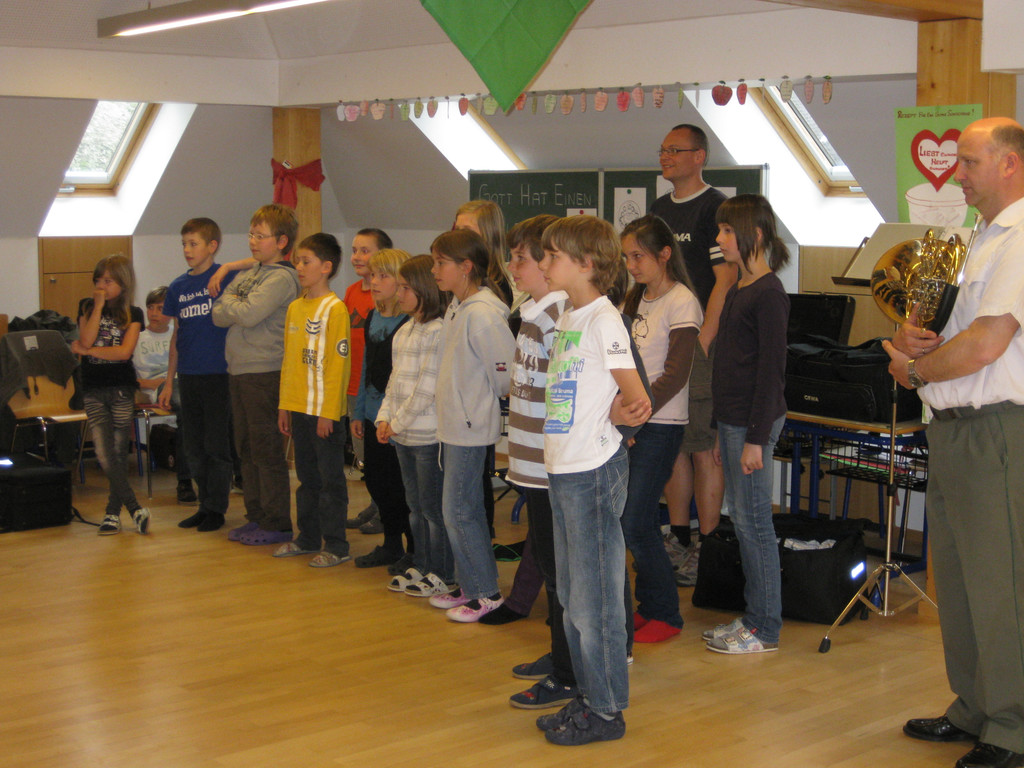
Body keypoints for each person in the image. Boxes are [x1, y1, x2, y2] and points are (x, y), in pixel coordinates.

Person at [883, 117, 1024, 768]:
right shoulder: (980, 236)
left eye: (969, 162)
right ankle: (974, 706)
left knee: (1001, 583)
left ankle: (1012, 728)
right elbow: (955, 332)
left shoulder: (1021, 236)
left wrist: (915, 371)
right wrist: (913, 340)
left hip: (996, 429)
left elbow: (988, 344)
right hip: (953, 426)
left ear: (1009, 164)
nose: (957, 174)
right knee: (964, 581)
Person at [535, 215, 651, 746]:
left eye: (552, 255)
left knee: (596, 602)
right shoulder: (570, 316)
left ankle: (607, 712)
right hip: (564, 469)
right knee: (571, 598)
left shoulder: (606, 320)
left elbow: (637, 398)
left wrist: (616, 419)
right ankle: (588, 694)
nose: (543, 263)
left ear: (585, 263)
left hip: (593, 472)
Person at [704, 194, 789, 655]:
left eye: (727, 230)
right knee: (741, 519)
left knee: (754, 522)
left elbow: (770, 374)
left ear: (753, 234)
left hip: (754, 424)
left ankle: (764, 628)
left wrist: (755, 439)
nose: (719, 239)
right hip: (734, 422)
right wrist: (721, 429)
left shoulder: (769, 293)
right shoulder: (740, 286)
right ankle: (754, 617)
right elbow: (730, 365)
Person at [651, 123, 736, 586]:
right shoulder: (659, 209)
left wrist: (705, 337)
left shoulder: (714, 207)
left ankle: (708, 544)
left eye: (675, 150)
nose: (665, 157)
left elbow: (725, 280)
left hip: (702, 342)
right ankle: (678, 535)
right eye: (663, 150)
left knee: (704, 446)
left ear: (699, 156)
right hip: (664, 340)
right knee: (673, 442)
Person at [620, 214, 702, 643]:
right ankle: (649, 607)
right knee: (634, 520)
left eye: (638, 256)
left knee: (635, 521)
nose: (631, 265)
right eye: (627, 257)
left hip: (661, 423)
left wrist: (637, 414)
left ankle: (667, 614)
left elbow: (675, 374)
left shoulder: (682, 301)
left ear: (664, 254)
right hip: (632, 420)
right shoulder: (634, 299)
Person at [428, 229, 515, 623]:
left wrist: (471, 408)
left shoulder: (482, 313)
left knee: (459, 512)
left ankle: (487, 593)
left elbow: (505, 374)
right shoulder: (458, 306)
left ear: (466, 267)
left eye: (440, 263)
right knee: (461, 510)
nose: (434, 270)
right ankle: (470, 584)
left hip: (469, 426)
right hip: (452, 425)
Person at [212, 203, 300, 543]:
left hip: (264, 372)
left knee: (266, 450)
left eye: (259, 236)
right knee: (245, 449)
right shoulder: (250, 273)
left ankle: (277, 523)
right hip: (239, 371)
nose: (252, 241)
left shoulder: (281, 277)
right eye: (251, 234)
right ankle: (257, 516)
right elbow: (217, 313)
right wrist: (236, 305)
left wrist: (234, 304)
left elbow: (247, 314)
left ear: (281, 241)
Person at [375, 254, 454, 595]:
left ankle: (442, 572)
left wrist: (397, 422)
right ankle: (421, 564)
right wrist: (384, 417)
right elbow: (395, 382)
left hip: (427, 437)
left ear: (424, 289)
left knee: (433, 510)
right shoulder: (405, 330)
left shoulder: (438, 331)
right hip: (403, 436)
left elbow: (427, 388)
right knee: (415, 508)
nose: (399, 294)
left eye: (405, 287)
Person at [274, 233, 352, 567]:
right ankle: (307, 537)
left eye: (306, 261)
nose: (300, 267)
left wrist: (328, 413)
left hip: (324, 414)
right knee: (306, 479)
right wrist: (284, 405)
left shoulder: (335, 309)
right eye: (298, 261)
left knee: (330, 481)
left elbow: (338, 366)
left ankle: (336, 544)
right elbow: (289, 361)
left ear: (326, 267)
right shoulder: (295, 308)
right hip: (298, 408)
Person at [159, 218, 236, 530]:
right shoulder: (178, 286)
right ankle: (204, 504)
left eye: (194, 244)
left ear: (212, 246)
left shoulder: (227, 278)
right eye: (184, 244)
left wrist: (227, 268)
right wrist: (169, 381)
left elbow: (261, 265)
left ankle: (217, 508)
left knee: (216, 445)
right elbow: (177, 336)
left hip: (218, 375)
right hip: (188, 376)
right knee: (193, 446)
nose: (187, 250)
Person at [71, 254, 149, 536]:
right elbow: (86, 337)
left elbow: (123, 353)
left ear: (123, 283)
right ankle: (135, 509)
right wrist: (98, 307)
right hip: (93, 388)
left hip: (121, 389)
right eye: (98, 280)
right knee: (104, 454)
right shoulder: (87, 306)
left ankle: (112, 514)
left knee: (117, 453)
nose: (101, 286)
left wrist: (88, 351)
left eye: (108, 281)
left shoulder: (134, 313)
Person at [351, 248, 412, 569]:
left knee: (400, 485)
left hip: (398, 419)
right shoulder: (373, 317)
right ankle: (391, 544)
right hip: (373, 414)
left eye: (383, 276)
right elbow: (366, 367)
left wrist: (394, 418)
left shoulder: (409, 322)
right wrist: (359, 412)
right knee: (376, 480)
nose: (374, 281)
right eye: (373, 275)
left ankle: (414, 547)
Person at [346, 228, 393, 534]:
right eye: (354, 250)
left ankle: (385, 510)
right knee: (364, 457)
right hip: (355, 386)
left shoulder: (386, 297)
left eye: (365, 250)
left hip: (379, 391)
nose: (357, 257)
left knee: (382, 459)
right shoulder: (351, 291)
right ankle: (375, 504)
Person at [134, 285, 193, 503]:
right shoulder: (137, 338)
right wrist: (150, 383)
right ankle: (185, 481)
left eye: (160, 308)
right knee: (186, 409)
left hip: (183, 382)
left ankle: (233, 475)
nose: (154, 313)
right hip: (156, 388)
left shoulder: (178, 334)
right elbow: (125, 377)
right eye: (150, 307)